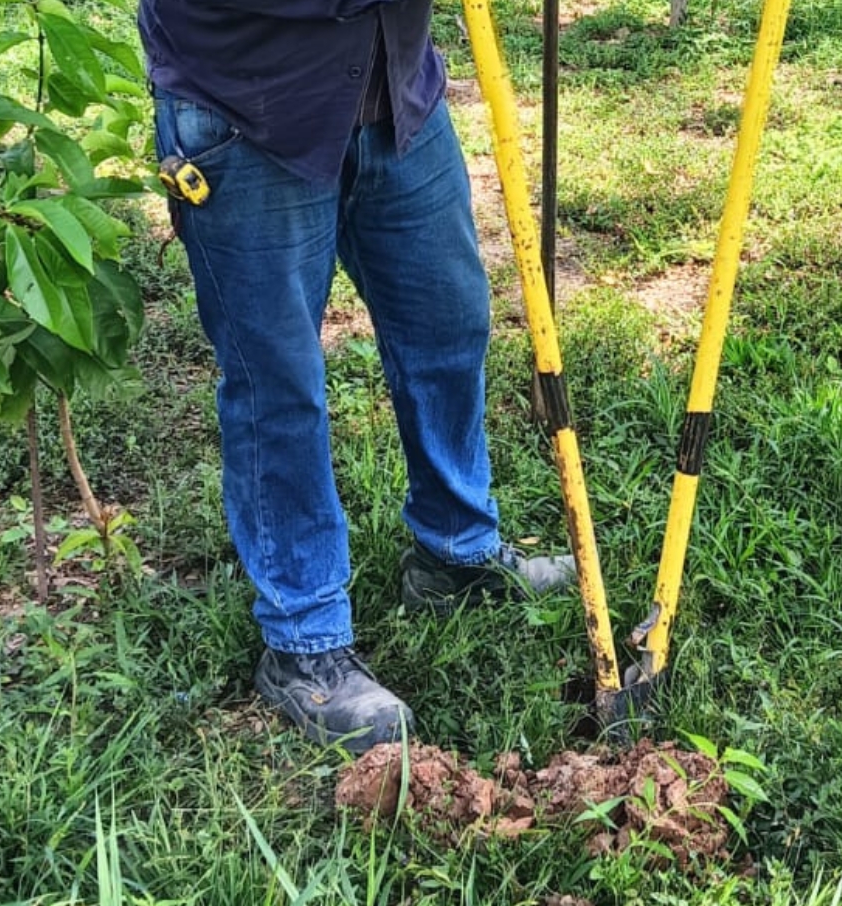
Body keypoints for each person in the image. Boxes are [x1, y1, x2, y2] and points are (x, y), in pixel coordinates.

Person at [137, 0, 575, 753]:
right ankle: (302, 639)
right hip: (248, 110)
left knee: (449, 320)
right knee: (277, 383)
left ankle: (454, 549)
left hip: (395, 95)